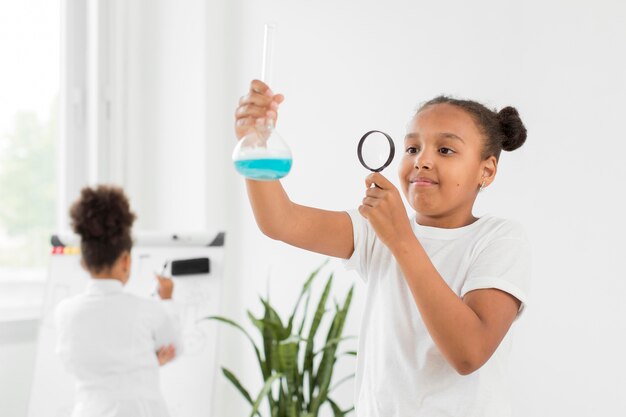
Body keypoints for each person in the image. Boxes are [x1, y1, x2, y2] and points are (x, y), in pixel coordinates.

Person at [234, 80, 531, 417]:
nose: (422, 161)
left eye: (445, 150)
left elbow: (468, 353)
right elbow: (280, 221)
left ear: (487, 170)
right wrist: (253, 143)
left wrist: (401, 238)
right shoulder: (376, 231)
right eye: (412, 149)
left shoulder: (500, 239)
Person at [55, 185, 183, 417]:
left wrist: (142, 363)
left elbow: (75, 363)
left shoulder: (65, 312)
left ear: (83, 262)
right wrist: (167, 300)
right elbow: (175, 348)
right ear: (125, 260)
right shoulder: (148, 310)